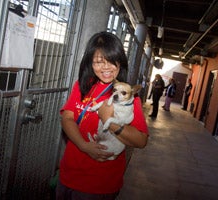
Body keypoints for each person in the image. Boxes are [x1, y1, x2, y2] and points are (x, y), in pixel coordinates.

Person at [57, 32, 149, 200]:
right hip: (68, 174)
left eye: (112, 61)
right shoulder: (82, 86)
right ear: (90, 63)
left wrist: (108, 120)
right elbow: (67, 118)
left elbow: (141, 141)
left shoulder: (128, 97)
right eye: (99, 62)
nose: (106, 68)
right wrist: (84, 146)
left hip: (100, 184)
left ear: (120, 63)